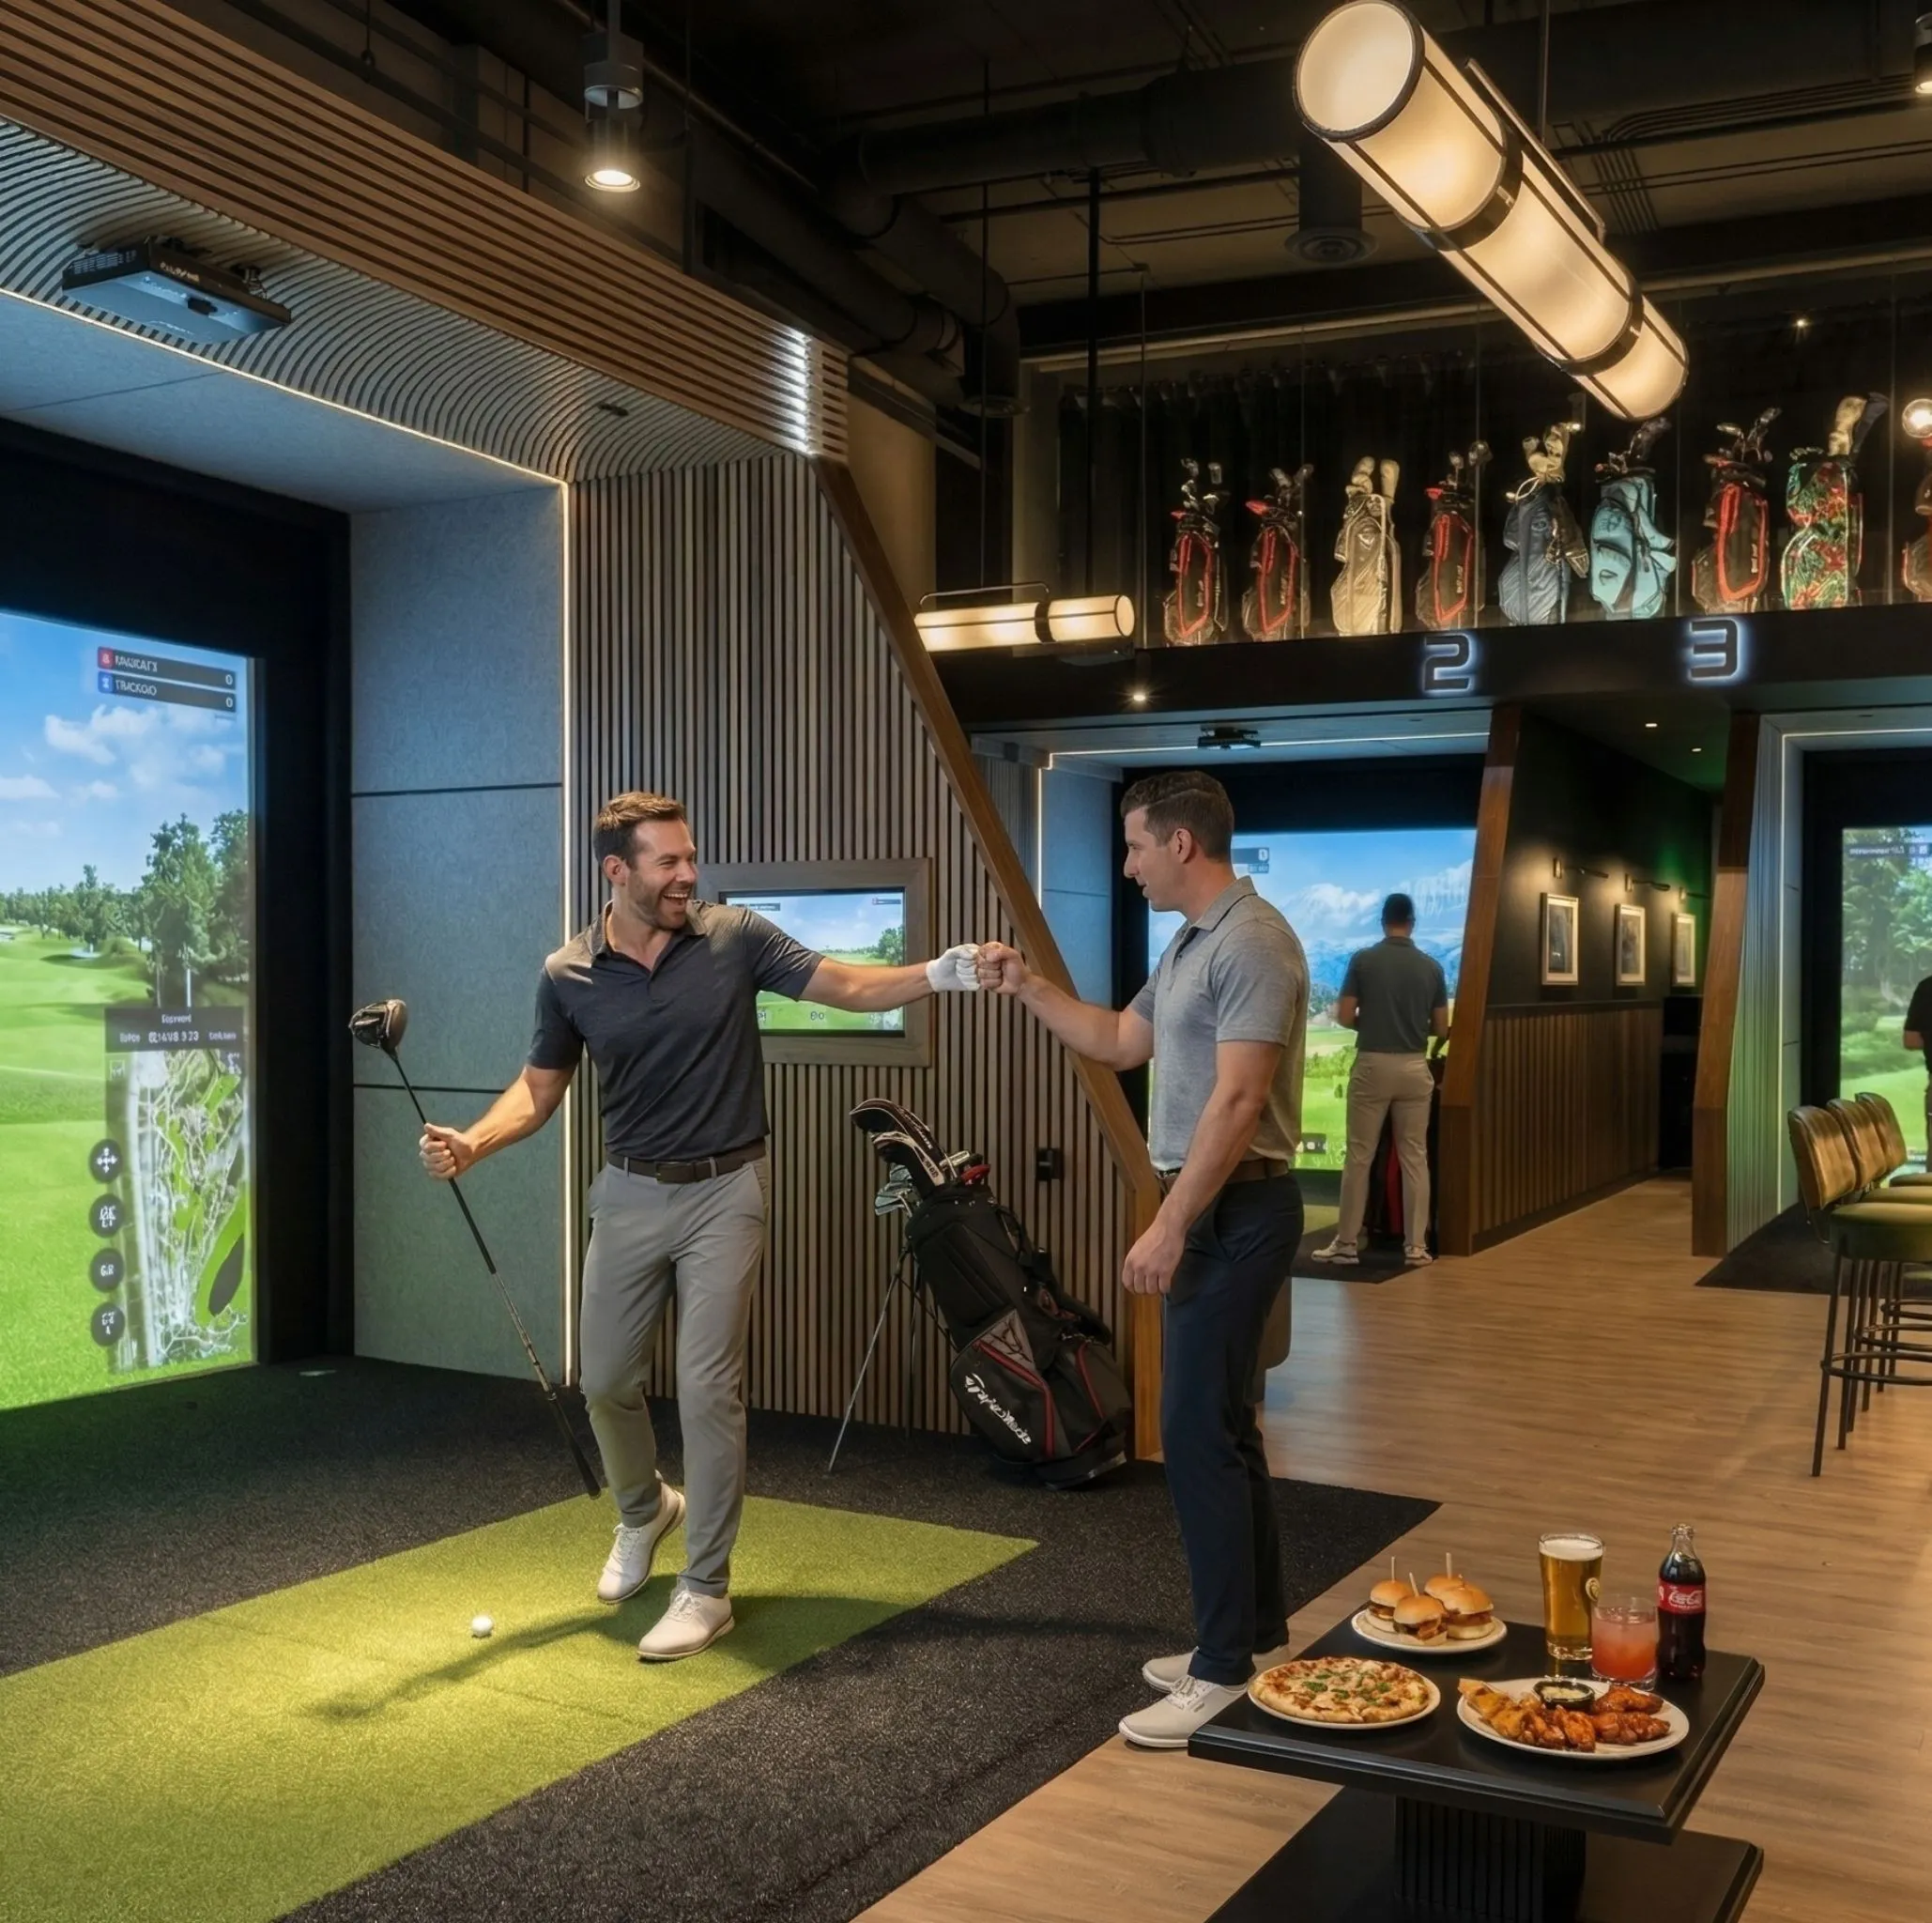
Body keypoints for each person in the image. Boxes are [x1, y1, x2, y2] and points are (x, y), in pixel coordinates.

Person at [418, 791, 986, 1661]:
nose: (689, 874)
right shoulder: (567, 974)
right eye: (669, 862)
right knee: (604, 1379)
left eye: (691, 858)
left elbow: (844, 983)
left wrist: (940, 972)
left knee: (708, 1385)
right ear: (618, 871)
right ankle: (647, 1512)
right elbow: (539, 1089)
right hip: (631, 1191)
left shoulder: (734, 938)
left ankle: (706, 1586)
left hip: (728, 1189)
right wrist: (473, 1143)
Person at [976, 770, 1308, 1749]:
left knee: (1196, 1437)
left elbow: (1241, 1102)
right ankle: (1255, 1636)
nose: (1125, 866)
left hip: (1236, 1208)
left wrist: (1170, 1222)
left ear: (1183, 846)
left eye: (1133, 847)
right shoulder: (1194, 941)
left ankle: (1217, 1671)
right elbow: (1121, 1041)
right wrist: (1027, 985)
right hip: (1218, 1205)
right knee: (1227, 1433)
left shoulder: (1253, 940)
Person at [1312, 892, 1449, 1269]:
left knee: (1359, 1157)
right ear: (1413, 922)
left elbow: (1342, 1015)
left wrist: (1369, 1024)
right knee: (1414, 1158)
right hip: (1414, 1065)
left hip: (1372, 1064)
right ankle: (1416, 1247)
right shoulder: (1432, 968)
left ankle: (1346, 1244)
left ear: (1383, 921)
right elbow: (1440, 1027)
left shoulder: (1363, 960)